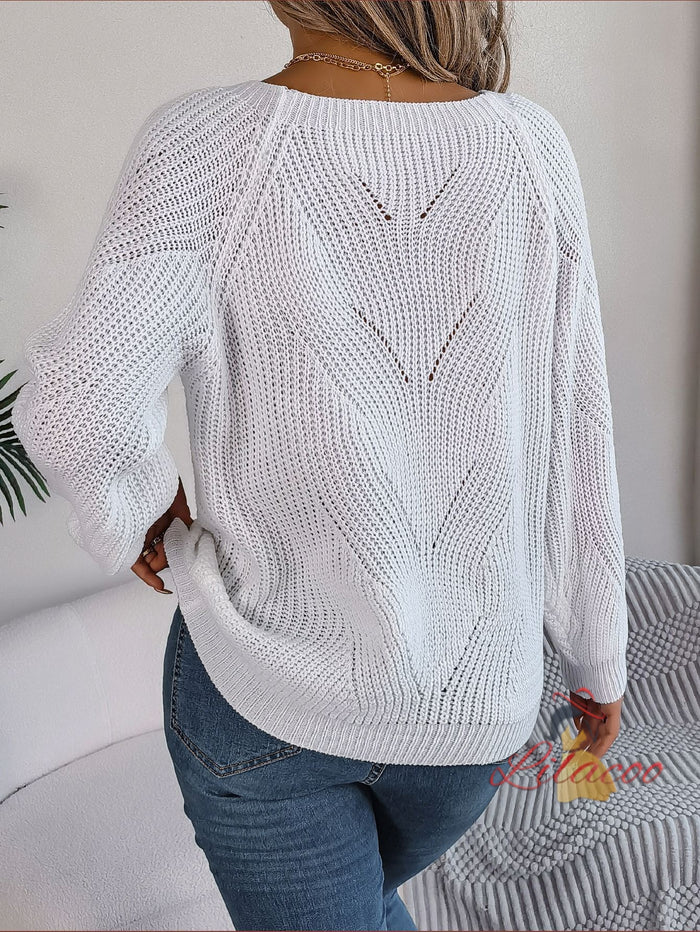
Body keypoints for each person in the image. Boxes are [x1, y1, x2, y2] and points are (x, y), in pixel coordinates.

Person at [12, 1, 629, 928]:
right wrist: (598, 658)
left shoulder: (206, 144)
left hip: (263, 696)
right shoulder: (531, 146)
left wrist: (144, 511)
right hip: (475, 713)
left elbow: (73, 406)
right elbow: (578, 434)